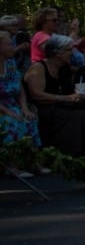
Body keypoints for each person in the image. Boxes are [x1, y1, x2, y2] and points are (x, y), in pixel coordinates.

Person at [22, 35, 85, 155]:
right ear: (58, 53)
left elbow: (68, 90)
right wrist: (66, 98)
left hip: (60, 105)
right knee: (76, 116)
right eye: (69, 50)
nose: (72, 53)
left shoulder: (64, 68)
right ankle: (70, 152)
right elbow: (37, 95)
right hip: (41, 107)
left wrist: (78, 95)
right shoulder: (39, 68)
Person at [1, 30, 43, 172]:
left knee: (29, 118)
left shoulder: (11, 64)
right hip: (2, 107)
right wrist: (9, 112)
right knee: (11, 122)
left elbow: (20, 90)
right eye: (8, 45)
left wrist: (24, 108)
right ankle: (12, 165)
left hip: (13, 104)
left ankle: (33, 162)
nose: (12, 48)